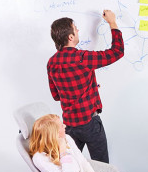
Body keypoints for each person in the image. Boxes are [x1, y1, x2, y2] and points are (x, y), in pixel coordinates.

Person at [47, 10, 124, 163]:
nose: (78, 31)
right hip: (90, 123)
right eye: (75, 29)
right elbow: (117, 51)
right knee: (102, 167)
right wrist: (112, 23)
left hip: (69, 125)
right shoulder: (82, 58)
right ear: (70, 36)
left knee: (73, 166)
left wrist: (88, 88)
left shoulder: (52, 62)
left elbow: (56, 96)